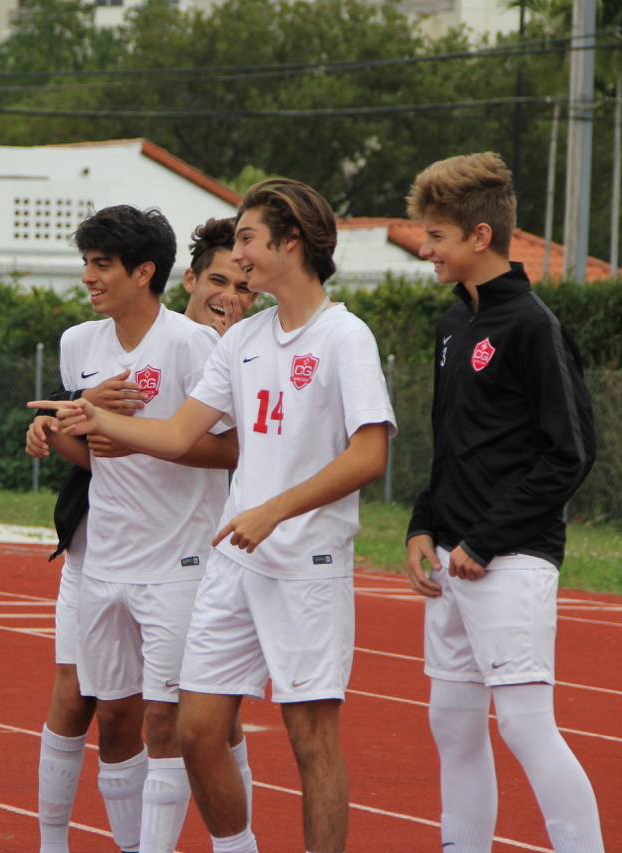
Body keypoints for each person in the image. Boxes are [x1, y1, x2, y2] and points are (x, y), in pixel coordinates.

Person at [31, 179, 396, 853]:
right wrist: (88, 416)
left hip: (305, 562)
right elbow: (174, 435)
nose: (242, 254)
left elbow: (370, 453)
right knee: (196, 730)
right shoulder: (242, 340)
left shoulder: (347, 336)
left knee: (311, 740)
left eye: (251, 238)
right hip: (234, 561)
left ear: (292, 243)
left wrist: (275, 510)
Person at [25, 206, 249, 853]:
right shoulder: (78, 344)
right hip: (104, 558)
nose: (89, 276)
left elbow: (233, 449)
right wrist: (55, 433)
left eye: (102, 265)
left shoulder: (190, 344)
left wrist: (140, 436)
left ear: (144, 271)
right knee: (115, 715)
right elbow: (94, 454)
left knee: (165, 720)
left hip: (179, 559)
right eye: (87, 263)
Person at [402, 152, 602, 853]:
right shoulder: (452, 327)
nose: (424, 249)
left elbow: (571, 453)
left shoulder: (534, 327)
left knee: (522, 723)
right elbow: (451, 446)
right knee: (452, 723)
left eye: (435, 236)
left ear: (478, 238)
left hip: (509, 560)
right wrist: (423, 525)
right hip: (452, 559)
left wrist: (484, 541)